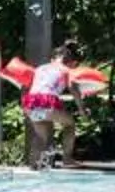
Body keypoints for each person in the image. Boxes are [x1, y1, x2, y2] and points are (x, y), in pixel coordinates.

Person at [22, 41, 83, 169]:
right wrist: (81, 109)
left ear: (52, 59)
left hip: (30, 103)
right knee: (70, 123)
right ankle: (67, 158)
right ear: (69, 61)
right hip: (46, 102)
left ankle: (33, 166)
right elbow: (74, 90)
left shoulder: (40, 68)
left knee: (41, 138)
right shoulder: (66, 70)